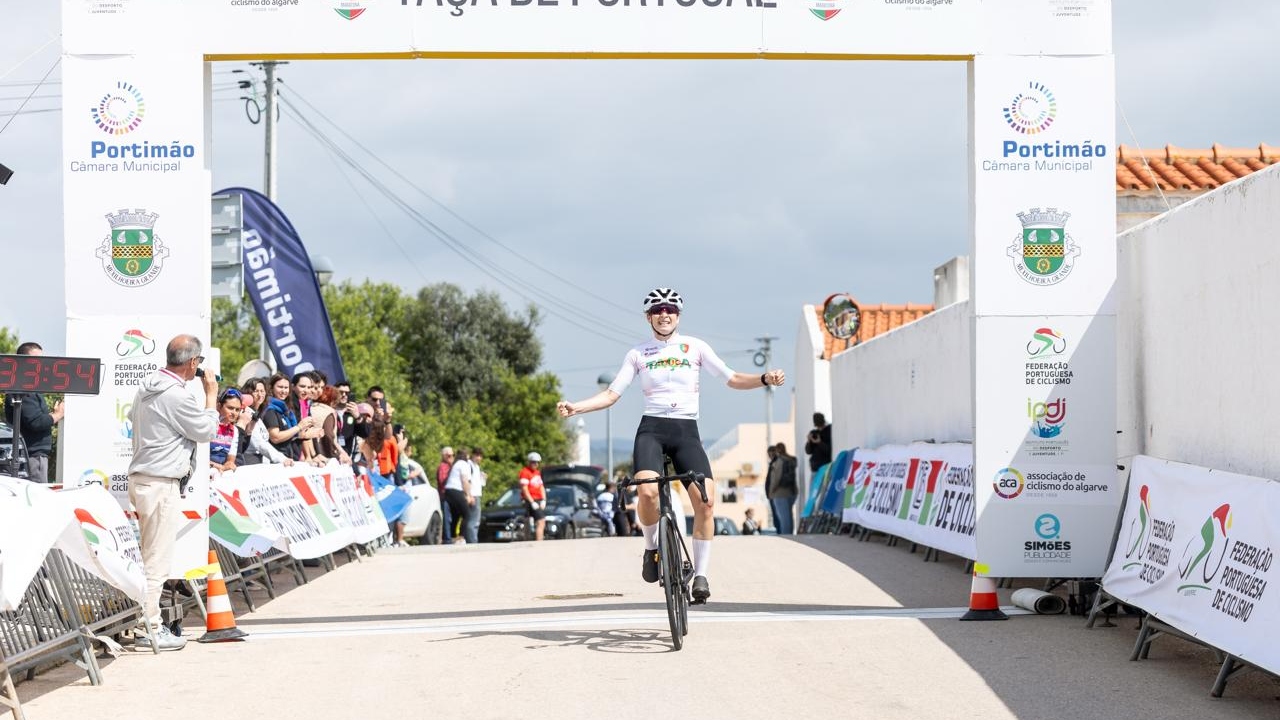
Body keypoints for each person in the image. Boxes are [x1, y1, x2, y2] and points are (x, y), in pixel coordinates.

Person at [557, 287, 786, 604]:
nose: (665, 314)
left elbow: (731, 378)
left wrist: (763, 379)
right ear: (648, 317)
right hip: (652, 429)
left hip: (685, 431)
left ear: (678, 315)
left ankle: (701, 575)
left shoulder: (695, 347)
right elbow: (612, 394)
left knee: (705, 502)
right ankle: (651, 548)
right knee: (647, 491)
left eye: (671, 309)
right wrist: (577, 407)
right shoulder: (638, 353)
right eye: (658, 309)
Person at [126, 334, 219, 652]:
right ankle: (148, 628)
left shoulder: (147, 385)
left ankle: (144, 622)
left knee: (148, 556)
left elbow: (131, 419)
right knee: (156, 560)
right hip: (160, 483)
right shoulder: (177, 396)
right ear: (193, 362)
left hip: (143, 479)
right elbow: (206, 431)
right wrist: (211, 397)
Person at [2, 342, 64, 482]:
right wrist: (58, 415)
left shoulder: (29, 387)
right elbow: (35, 422)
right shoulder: (22, 389)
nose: (40, 364)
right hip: (32, 457)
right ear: (22, 362)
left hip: (35, 456)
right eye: (36, 360)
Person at [236, 377, 293, 467]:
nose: (260, 394)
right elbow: (259, 443)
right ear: (248, 393)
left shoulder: (259, 413)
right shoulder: (246, 413)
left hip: (262, 462)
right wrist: (282, 459)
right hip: (249, 463)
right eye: (255, 391)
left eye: (262, 391)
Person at [442, 447, 473, 544]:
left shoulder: (456, 464)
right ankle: (461, 537)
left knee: (456, 515)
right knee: (467, 514)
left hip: (448, 491)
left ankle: (452, 536)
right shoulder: (464, 464)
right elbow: (464, 481)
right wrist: (468, 495)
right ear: (466, 457)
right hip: (456, 490)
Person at [208, 388, 242, 473]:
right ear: (219, 406)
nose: (234, 413)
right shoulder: (209, 424)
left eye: (237, 410)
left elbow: (230, 460)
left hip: (219, 473)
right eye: (230, 408)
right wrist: (216, 466)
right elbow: (199, 456)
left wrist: (229, 464)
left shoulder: (234, 430)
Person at [768, 442, 798, 535]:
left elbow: (776, 478)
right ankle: (791, 535)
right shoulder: (791, 460)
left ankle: (786, 537)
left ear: (777, 450)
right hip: (791, 491)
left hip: (779, 493)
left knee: (783, 518)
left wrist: (771, 491)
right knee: (789, 516)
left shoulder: (780, 461)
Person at [518, 452, 547, 541]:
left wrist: (544, 499)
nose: (536, 464)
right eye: (534, 462)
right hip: (531, 500)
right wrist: (532, 502)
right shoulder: (525, 472)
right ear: (530, 462)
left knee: (539, 522)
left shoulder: (537, 473)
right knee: (541, 521)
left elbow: (541, 486)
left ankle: (535, 540)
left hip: (538, 500)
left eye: (537, 462)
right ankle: (539, 542)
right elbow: (525, 489)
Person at [464, 447, 486, 544]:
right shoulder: (469, 465)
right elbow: (467, 480)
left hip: (476, 494)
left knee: (473, 520)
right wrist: (469, 495)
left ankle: (471, 539)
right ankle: (472, 541)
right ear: (472, 455)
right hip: (473, 495)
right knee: (474, 520)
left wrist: (483, 478)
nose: (478, 458)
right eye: (477, 455)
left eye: (480, 456)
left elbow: (480, 483)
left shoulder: (476, 467)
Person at [436, 446, 455, 544]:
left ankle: (451, 536)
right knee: (447, 517)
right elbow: (442, 481)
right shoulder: (443, 467)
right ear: (444, 456)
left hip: (452, 495)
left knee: (452, 517)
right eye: (449, 456)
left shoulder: (452, 466)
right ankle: (447, 538)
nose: (451, 457)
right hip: (445, 495)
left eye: (452, 455)